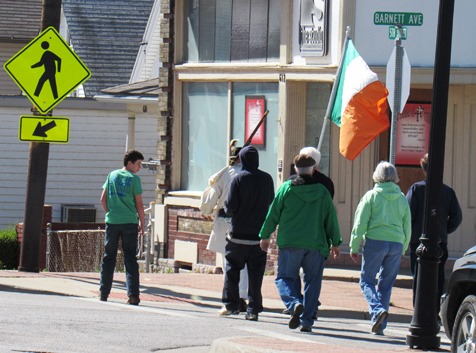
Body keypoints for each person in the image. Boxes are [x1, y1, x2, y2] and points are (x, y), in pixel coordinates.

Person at [260, 154, 342, 333]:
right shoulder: (322, 191)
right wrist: (336, 243)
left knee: (284, 278)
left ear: (296, 169)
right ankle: (307, 321)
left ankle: (294, 303)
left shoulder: (286, 188)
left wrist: (265, 235)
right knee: (313, 282)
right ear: (313, 169)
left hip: (290, 242)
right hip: (316, 244)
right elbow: (331, 220)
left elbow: (273, 213)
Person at [350, 161, 411, 335]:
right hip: (396, 243)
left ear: (376, 176)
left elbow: (360, 222)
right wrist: (403, 248)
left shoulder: (371, 196)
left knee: (367, 281)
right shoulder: (401, 198)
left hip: (375, 241)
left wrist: (354, 245)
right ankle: (380, 325)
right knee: (386, 284)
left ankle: (377, 311)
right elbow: (407, 226)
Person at [219, 145, 275, 321]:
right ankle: (253, 309)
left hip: (238, 235)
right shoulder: (267, 179)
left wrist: (228, 209)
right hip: (258, 236)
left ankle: (231, 304)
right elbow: (271, 201)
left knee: (232, 270)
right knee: (256, 274)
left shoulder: (238, 179)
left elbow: (230, 207)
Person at [406, 153, 462, 310]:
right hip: (440, 241)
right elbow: (456, 218)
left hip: (418, 241)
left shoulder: (416, 189)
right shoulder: (448, 192)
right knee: (438, 278)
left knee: (418, 277)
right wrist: (443, 229)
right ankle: (434, 310)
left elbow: (408, 215)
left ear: (423, 169)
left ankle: (418, 308)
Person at [200, 141, 248, 312]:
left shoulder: (225, 174)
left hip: (225, 222)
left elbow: (209, 199)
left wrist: (205, 210)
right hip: (246, 222)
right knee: (244, 263)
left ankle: (233, 297)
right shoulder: (251, 174)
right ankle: (242, 296)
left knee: (229, 261)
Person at [287, 146, 335, 319]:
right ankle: (309, 309)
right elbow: (330, 214)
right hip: (318, 236)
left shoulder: (290, 183)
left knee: (290, 273)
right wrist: (335, 240)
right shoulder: (327, 184)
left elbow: (279, 209)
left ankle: (297, 302)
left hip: (294, 235)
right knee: (312, 278)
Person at [99, 150, 145, 305]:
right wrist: (142, 223)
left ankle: (104, 293)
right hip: (130, 222)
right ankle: (133, 295)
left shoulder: (111, 175)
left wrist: (110, 213)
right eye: (138, 164)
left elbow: (102, 199)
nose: (139, 167)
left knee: (108, 257)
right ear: (129, 163)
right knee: (130, 258)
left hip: (112, 221)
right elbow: (139, 203)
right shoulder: (134, 179)